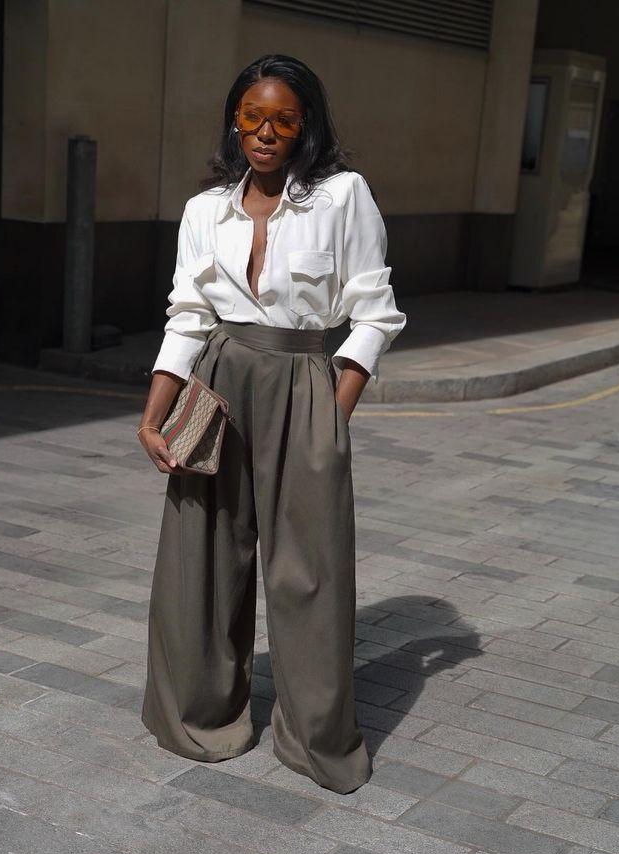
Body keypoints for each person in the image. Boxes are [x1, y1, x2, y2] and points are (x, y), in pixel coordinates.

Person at [137, 53, 407, 795]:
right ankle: (200, 717)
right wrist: (154, 414)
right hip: (218, 381)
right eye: (252, 117)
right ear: (235, 121)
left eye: (282, 119)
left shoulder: (342, 196)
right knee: (201, 557)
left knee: (308, 570)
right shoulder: (205, 209)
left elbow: (375, 314)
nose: (265, 132)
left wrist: (331, 415)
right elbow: (188, 317)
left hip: (303, 380)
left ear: (304, 125)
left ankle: (315, 738)